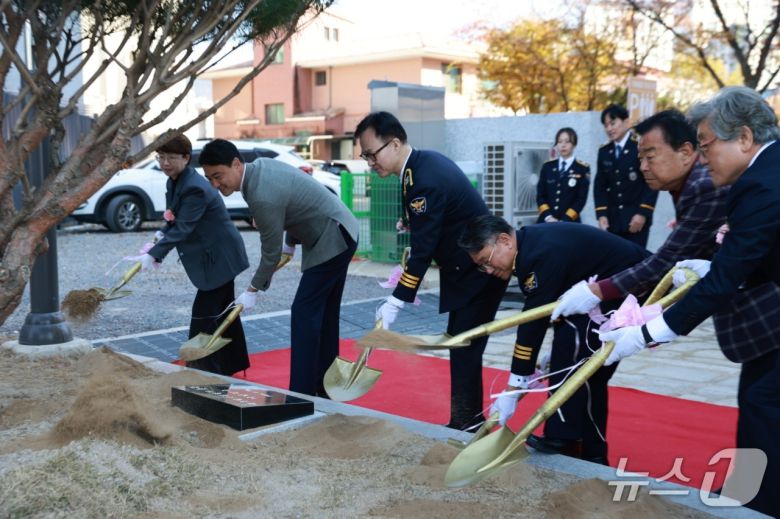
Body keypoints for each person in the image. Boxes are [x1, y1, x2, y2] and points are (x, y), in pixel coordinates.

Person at [597, 88, 780, 517]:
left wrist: (646, 332)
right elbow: (752, 260)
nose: (703, 155)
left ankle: (760, 505)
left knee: (763, 405)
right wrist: (707, 266)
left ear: (746, 137)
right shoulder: (763, 175)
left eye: (706, 144)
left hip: (770, 327)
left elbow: (725, 280)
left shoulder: (760, 182)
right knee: (758, 400)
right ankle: (752, 496)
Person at [355, 111, 508, 431]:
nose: (370, 162)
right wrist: (409, 222)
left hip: (478, 272)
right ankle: (466, 420)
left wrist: (397, 300)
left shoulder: (422, 179)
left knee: (463, 347)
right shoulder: (419, 166)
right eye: (365, 155)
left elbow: (424, 248)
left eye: (372, 153)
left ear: (394, 144)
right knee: (461, 346)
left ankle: (466, 423)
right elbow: (431, 221)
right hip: (468, 269)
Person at [458, 215, 649, 464]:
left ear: (504, 240)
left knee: (579, 361)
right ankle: (585, 449)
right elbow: (553, 307)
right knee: (583, 368)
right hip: (604, 294)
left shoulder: (537, 254)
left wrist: (514, 386)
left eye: (487, 261)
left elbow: (532, 323)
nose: (489, 270)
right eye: (482, 266)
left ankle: (567, 439)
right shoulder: (529, 247)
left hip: (633, 286)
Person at [198, 139, 359, 398]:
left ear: (236, 164)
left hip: (332, 239)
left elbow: (269, 252)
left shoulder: (261, 193)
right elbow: (298, 200)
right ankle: (325, 388)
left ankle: (302, 395)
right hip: (340, 229)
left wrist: (252, 289)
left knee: (304, 313)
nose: (216, 185)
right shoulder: (260, 168)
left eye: (218, 176)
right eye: (209, 178)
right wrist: (291, 243)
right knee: (324, 316)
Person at [137, 134, 250, 376]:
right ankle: (230, 364)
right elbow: (173, 217)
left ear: (186, 158)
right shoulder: (175, 181)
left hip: (219, 256)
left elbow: (183, 227)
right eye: (161, 157)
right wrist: (159, 236)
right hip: (213, 254)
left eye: (171, 157)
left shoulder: (195, 187)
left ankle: (199, 371)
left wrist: (156, 254)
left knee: (205, 313)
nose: (165, 163)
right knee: (223, 311)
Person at [594, 104, 658, 247]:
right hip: (612, 221)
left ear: (626, 122)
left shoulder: (640, 146)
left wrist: (642, 213)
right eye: (606, 125)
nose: (609, 128)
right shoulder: (604, 151)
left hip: (636, 221)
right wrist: (602, 215)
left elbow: (652, 181)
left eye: (613, 123)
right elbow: (600, 186)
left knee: (636, 262)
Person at [536, 127, 590, 223]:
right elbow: (540, 195)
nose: (563, 145)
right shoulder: (547, 166)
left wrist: (565, 219)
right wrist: (548, 217)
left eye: (567, 142)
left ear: (574, 144)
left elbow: (581, 199)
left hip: (570, 222)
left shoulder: (582, 168)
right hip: (546, 221)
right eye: (560, 142)